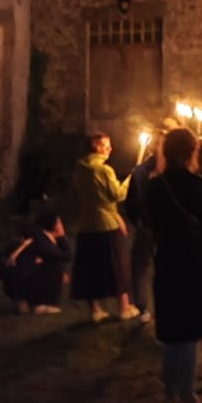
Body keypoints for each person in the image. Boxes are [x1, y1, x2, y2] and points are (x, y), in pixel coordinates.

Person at [147, 127, 202, 403]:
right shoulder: (197, 185)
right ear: (190, 152)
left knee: (171, 334)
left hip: (166, 262)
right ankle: (187, 398)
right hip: (192, 263)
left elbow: (149, 222)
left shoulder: (155, 186)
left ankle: (170, 398)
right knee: (188, 334)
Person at [69, 133, 139, 323]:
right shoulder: (104, 170)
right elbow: (117, 195)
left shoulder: (79, 169)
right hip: (106, 225)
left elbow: (94, 198)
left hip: (86, 225)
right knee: (117, 265)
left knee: (90, 268)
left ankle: (95, 310)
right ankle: (124, 307)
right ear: (96, 147)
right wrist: (131, 180)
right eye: (106, 145)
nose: (110, 149)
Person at [0, 209, 72, 314]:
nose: (61, 226)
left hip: (18, 278)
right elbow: (66, 256)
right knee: (55, 264)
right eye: (59, 223)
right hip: (21, 279)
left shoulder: (37, 236)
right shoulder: (42, 241)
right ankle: (40, 304)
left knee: (51, 265)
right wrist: (62, 238)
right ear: (54, 226)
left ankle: (25, 301)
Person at [124, 131, 160, 324]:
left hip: (165, 228)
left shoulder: (170, 171)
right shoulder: (141, 172)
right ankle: (143, 306)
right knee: (141, 266)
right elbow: (133, 200)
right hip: (147, 226)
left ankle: (162, 305)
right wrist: (139, 221)